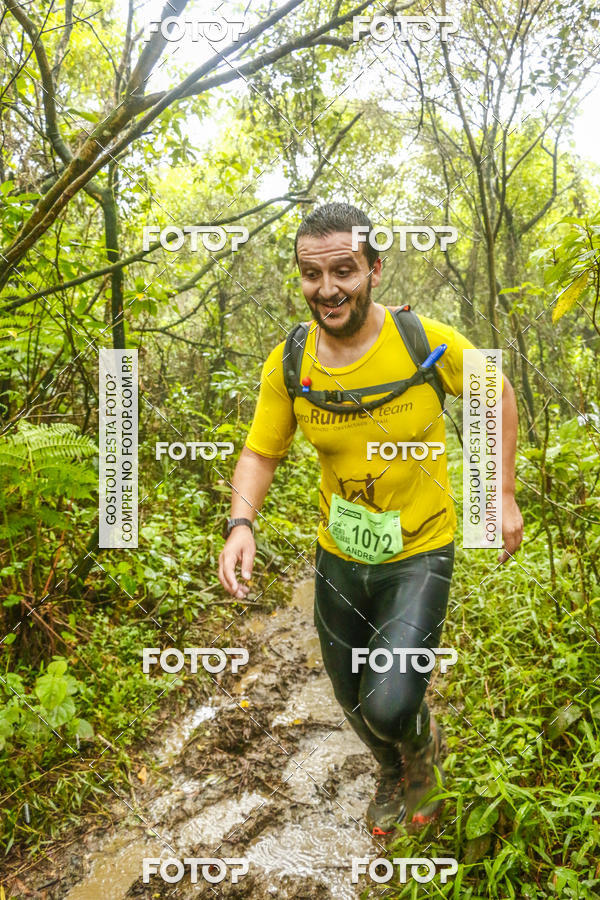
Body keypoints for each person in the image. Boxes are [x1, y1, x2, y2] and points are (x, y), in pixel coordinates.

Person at [218, 202, 524, 836]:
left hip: (420, 550)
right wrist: (240, 523)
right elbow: (259, 451)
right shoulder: (290, 361)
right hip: (341, 555)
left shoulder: (424, 342)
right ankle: (393, 767)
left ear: (374, 269)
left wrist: (501, 494)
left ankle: (423, 757)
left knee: (390, 698)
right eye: (310, 273)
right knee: (351, 695)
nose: (326, 288)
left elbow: (497, 390)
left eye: (343, 270)